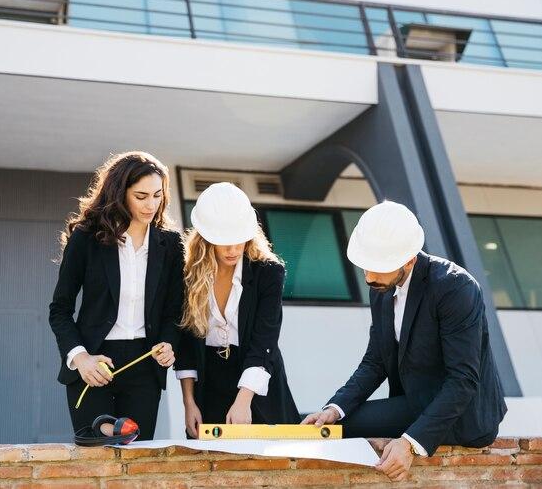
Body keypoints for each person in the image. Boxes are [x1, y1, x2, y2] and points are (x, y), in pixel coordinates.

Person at [302, 200, 507, 482]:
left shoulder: (456, 288)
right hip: (415, 401)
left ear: (409, 259)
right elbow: (375, 361)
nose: (369, 277)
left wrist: (409, 443)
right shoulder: (380, 289)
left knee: (349, 433)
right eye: (365, 266)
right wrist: (334, 409)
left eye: (378, 267)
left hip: (465, 416)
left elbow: (463, 380)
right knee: (329, 427)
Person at [49, 151, 183, 440]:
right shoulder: (87, 238)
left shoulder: (171, 244)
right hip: (94, 362)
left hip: (144, 366)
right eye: (141, 196)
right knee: (98, 450)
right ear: (120, 194)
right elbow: (59, 309)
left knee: (136, 456)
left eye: (158, 196)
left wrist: (170, 343)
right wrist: (79, 357)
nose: (151, 205)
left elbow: (174, 311)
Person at [175, 182, 300, 438]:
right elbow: (186, 344)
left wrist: (244, 400)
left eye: (238, 240)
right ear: (206, 237)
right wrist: (189, 402)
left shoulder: (269, 273)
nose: (233, 250)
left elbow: (264, 339)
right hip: (209, 382)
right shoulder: (187, 275)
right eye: (224, 242)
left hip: (257, 377)